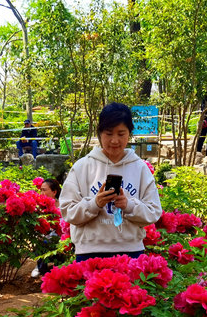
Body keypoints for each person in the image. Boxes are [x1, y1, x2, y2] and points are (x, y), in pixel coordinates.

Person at [59, 102, 162, 262]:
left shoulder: (140, 168)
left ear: (130, 133)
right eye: (109, 133)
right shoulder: (82, 167)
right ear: (99, 133)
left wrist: (128, 205)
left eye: (121, 134)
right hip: (89, 253)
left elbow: (154, 212)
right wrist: (95, 203)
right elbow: (67, 211)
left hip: (131, 252)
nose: (115, 140)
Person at [31, 178, 63, 278]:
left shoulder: (63, 206)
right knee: (41, 239)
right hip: (44, 237)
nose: (41, 192)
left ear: (54, 192)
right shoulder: (39, 207)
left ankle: (60, 267)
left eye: (44, 190)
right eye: (41, 190)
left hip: (60, 237)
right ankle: (40, 266)